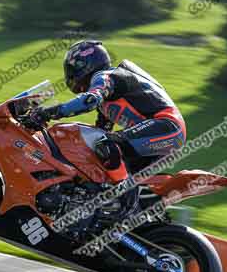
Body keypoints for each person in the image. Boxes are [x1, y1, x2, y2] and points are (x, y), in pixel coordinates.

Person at [29, 40, 187, 182]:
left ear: (84, 64)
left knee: (107, 145)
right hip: (160, 133)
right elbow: (101, 130)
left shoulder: (106, 76)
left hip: (166, 127)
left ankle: (119, 193)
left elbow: (89, 100)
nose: (69, 75)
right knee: (105, 155)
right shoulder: (106, 99)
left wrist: (48, 112)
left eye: (71, 68)